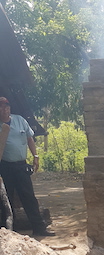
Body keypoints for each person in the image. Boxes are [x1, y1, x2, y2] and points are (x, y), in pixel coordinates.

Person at [0, 96, 55, 236]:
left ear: (9, 108)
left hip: (21, 166)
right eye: (1, 107)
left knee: (29, 197)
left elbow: (29, 138)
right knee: (6, 199)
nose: (4, 109)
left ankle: (39, 228)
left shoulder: (19, 120)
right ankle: (8, 231)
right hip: (4, 167)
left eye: (6, 106)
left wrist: (35, 156)